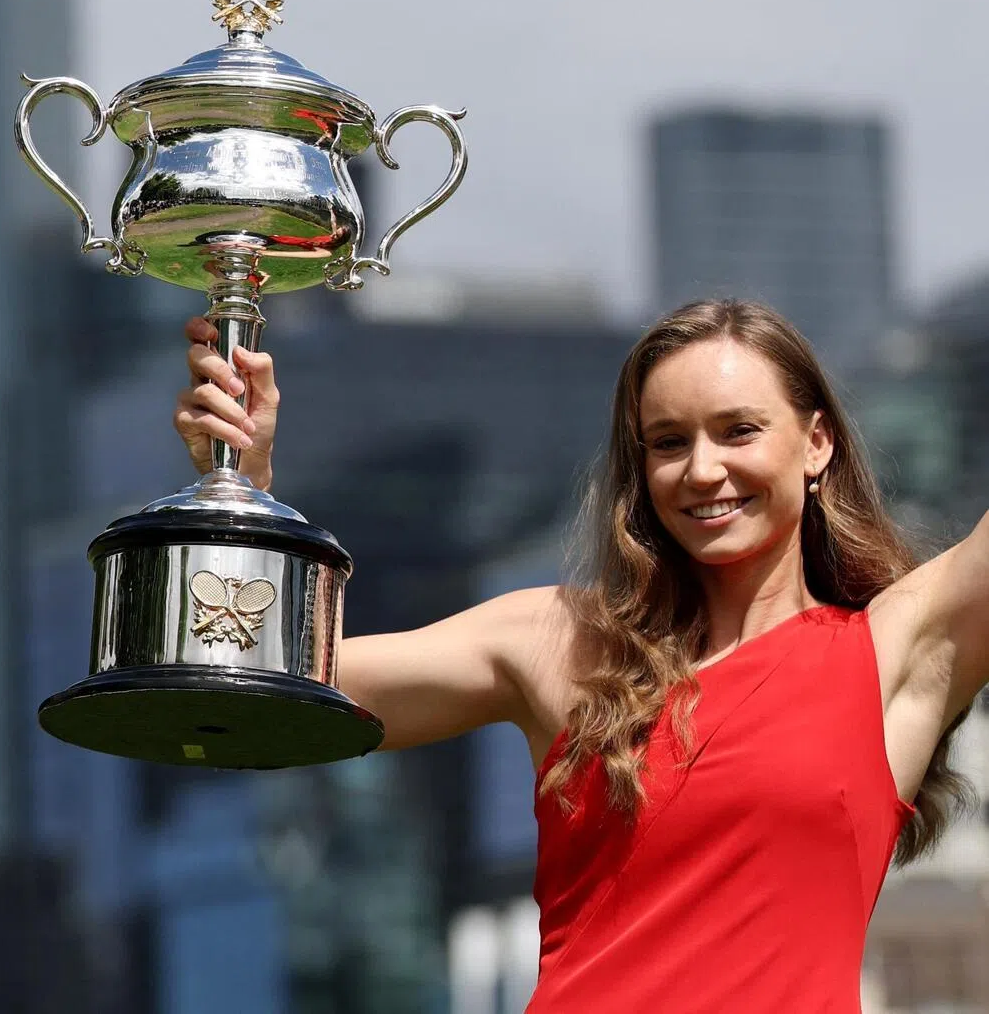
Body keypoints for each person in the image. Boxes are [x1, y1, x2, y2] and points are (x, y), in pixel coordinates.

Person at [173, 297, 985, 1012]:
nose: (704, 470)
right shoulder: (562, 644)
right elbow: (258, 682)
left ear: (816, 444)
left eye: (739, 430)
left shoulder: (894, 652)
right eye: (668, 442)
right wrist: (242, 486)